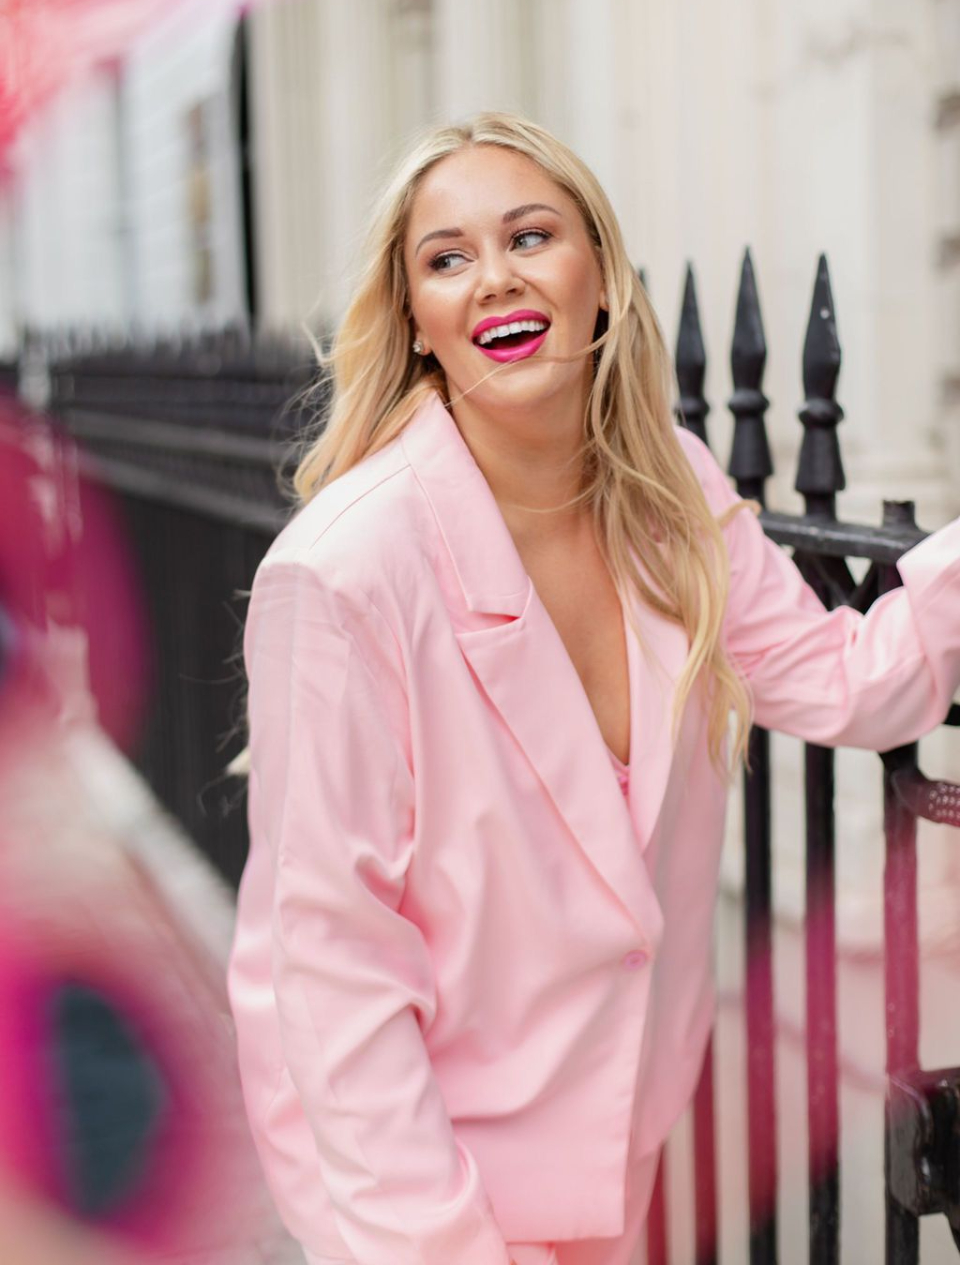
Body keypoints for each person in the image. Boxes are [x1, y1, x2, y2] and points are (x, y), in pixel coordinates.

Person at [227, 112, 960, 1265]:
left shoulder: (671, 491)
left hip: (617, 1145)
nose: (495, 277)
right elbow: (332, 969)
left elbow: (847, 681)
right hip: (418, 1185)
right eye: (448, 258)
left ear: (604, 280)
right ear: (416, 320)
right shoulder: (345, 570)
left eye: (530, 236)